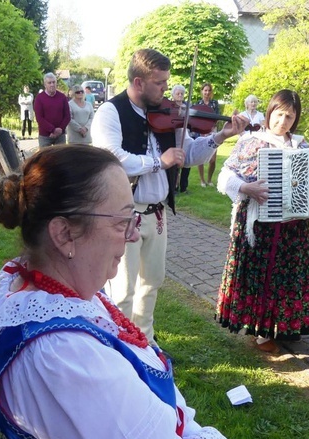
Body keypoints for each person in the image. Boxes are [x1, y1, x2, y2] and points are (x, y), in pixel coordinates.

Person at [0, 144, 237, 439]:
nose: (132, 234)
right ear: (64, 233)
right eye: (121, 221)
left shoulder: (67, 299)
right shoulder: (62, 355)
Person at [92, 48, 247, 345]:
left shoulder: (166, 115)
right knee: (122, 288)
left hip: (157, 212)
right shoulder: (110, 112)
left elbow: (187, 155)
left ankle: (145, 342)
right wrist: (157, 162)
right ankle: (118, 346)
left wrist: (220, 136)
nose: (166, 90)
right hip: (124, 214)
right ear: (138, 82)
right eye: (160, 83)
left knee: (151, 282)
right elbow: (112, 159)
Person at [216, 90, 309, 353]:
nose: (283, 121)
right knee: (262, 274)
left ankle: (284, 324)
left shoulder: (301, 146)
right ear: (270, 112)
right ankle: (261, 330)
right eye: (279, 114)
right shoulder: (252, 142)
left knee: (287, 276)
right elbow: (224, 176)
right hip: (259, 223)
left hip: (292, 227)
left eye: (289, 116)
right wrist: (245, 188)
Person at [194, 83, 220, 187]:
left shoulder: (214, 103)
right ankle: (202, 180)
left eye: (209, 90)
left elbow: (217, 117)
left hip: (212, 131)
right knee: (201, 157)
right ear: (202, 91)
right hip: (200, 132)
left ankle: (209, 180)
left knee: (213, 160)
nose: (207, 92)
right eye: (205, 90)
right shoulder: (198, 104)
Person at [33, 72, 70, 148]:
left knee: (62, 158)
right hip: (45, 136)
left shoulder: (62, 97)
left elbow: (67, 116)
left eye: (54, 82)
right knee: (45, 159)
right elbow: (39, 118)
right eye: (49, 83)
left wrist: (60, 129)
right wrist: (53, 130)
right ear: (45, 84)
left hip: (60, 135)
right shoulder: (39, 98)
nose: (52, 85)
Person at [171, 84, 194, 193]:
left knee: (186, 161)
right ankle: (174, 187)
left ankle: (183, 187)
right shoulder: (170, 106)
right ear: (173, 95)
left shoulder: (187, 107)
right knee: (175, 164)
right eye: (178, 94)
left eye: (182, 94)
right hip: (174, 136)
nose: (180, 96)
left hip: (185, 136)